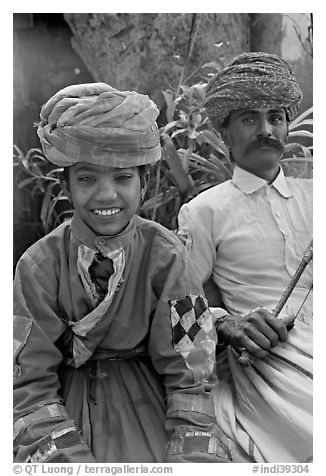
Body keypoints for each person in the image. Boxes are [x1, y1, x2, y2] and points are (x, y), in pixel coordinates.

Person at [13, 83, 231, 464]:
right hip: (61, 405)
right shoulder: (37, 265)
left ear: (143, 184)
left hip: (147, 401)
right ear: (65, 186)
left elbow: (192, 366)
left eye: (122, 178)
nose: (106, 195)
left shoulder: (167, 257)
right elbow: (27, 380)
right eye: (86, 178)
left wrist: (191, 454)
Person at [177, 52, 313, 463]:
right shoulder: (203, 212)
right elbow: (179, 309)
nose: (267, 129)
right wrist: (228, 324)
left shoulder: (315, 194)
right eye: (250, 119)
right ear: (224, 132)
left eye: (276, 116)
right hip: (273, 359)